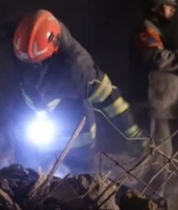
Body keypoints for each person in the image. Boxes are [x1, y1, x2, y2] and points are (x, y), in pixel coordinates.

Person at [13, 9, 148, 172]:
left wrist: (133, 133)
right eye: (29, 63)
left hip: (78, 138)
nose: (32, 68)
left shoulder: (79, 69)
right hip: (42, 133)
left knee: (82, 182)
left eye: (37, 62)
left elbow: (110, 98)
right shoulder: (31, 42)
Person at [129, 0, 178, 158]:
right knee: (159, 156)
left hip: (164, 105)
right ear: (155, 7)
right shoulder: (145, 30)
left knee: (167, 155)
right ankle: (153, 186)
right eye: (168, 5)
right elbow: (156, 57)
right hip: (153, 105)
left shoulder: (160, 32)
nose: (173, 9)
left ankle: (166, 185)